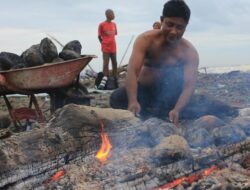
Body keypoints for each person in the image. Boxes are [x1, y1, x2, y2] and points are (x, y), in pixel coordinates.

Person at [110, 0, 199, 126]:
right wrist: (133, 101)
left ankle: (163, 114)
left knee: (199, 105)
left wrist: (177, 109)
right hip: (143, 91)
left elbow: (189, 85)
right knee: (117, 98)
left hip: (169, 94)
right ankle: (150, 113)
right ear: (162, 20)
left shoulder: (189, 52)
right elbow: (133, 72)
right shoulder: (146, 40)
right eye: (169, 24)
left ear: (186, 26)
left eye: (179, 27)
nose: (174, 31)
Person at [98, 9, 118, 90]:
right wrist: (103, 43)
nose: (113, 15)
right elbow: (99, 36)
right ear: (107, 15)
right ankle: (104, 80)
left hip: (113, 47)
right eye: (112, 13)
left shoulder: (114, 24)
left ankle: (115, 78)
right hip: (105, 47)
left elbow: (114, 34)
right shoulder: (102, 24)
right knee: (106, 64)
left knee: (115, 63)